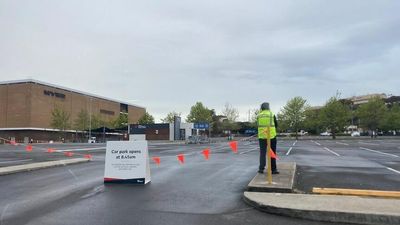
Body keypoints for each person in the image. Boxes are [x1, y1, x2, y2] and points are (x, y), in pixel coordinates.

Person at [257, 102, 279, 174]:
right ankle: (274, 170)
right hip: (271, 136)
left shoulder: (259, 115)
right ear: (268, 107)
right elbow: (276, 125)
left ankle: (261, 169)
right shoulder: (272, 114)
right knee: (272, 152)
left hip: (262, 136)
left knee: (262, 153)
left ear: (262, 108)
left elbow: (257, 125)